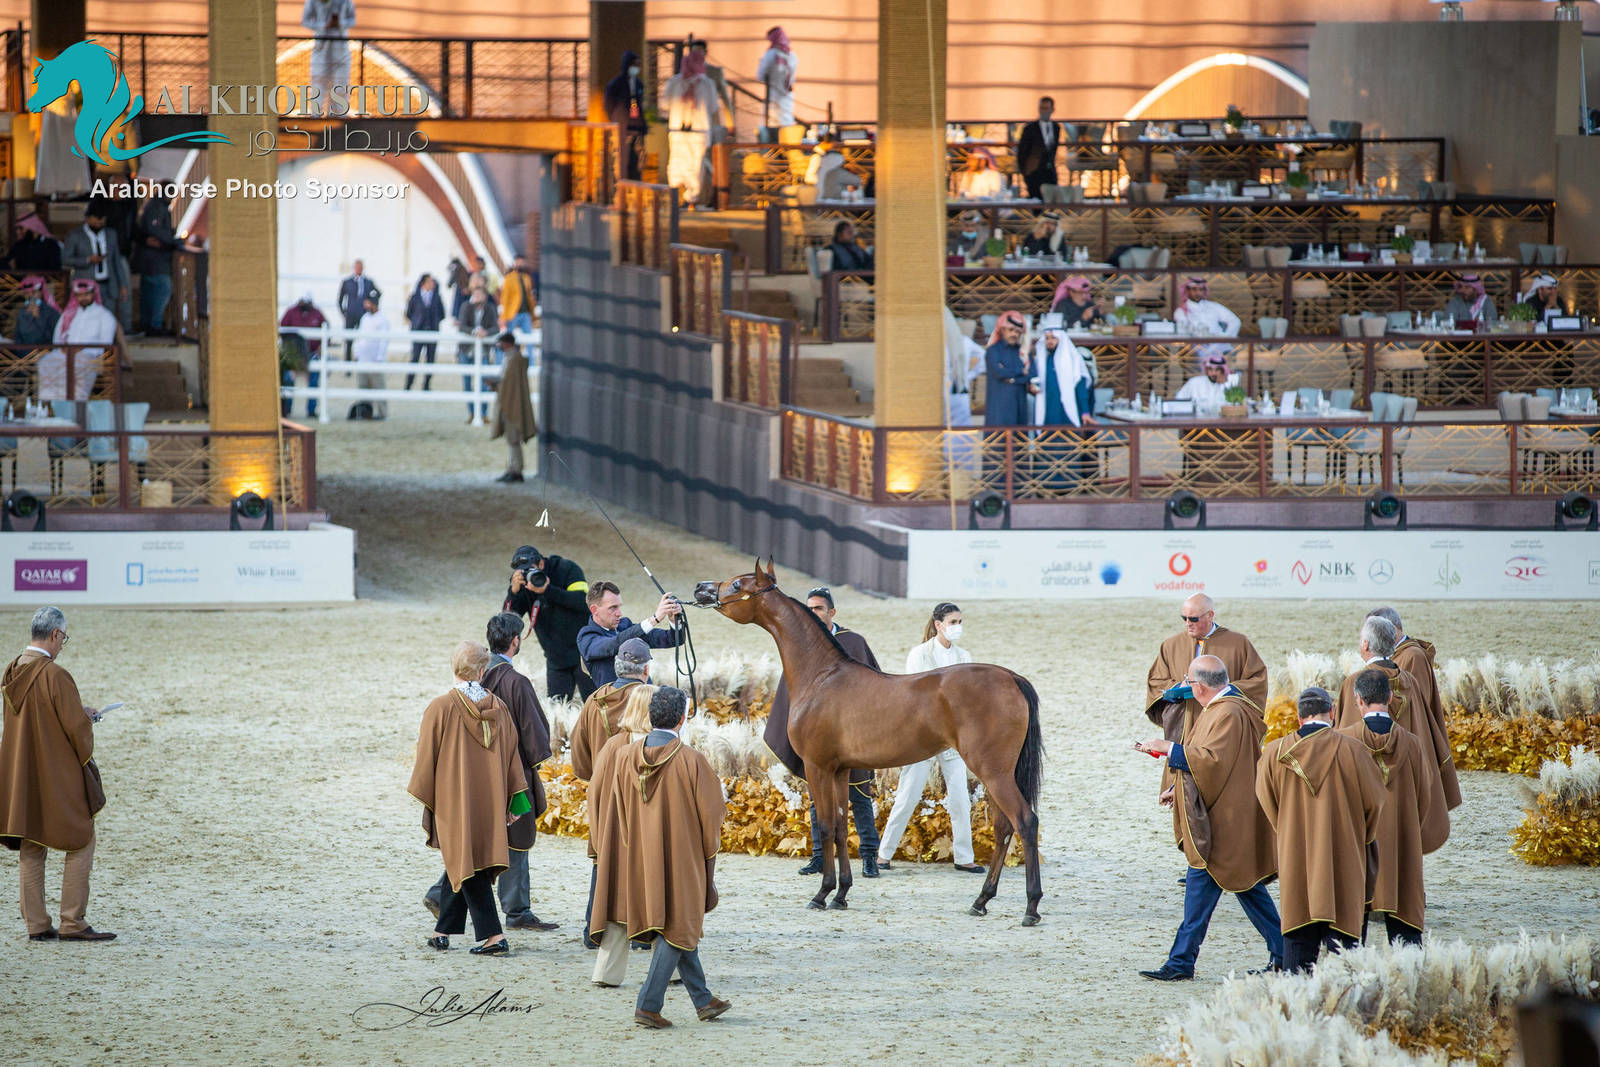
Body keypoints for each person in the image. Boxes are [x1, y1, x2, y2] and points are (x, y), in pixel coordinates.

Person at [588, 686, 730, 1028]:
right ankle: (648, 1005)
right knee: (679, 925)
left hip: (636, 856)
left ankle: (703, 1000)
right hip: (682, 860)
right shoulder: (692, 761)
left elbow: (615, 807)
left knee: (677, 924)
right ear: (682, 719)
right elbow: (713, 817)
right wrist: (706, 850)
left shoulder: (624, 757)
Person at [1135, 656, 1282, 981]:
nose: (1184, 687)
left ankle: (1181, 963)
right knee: (1245, 889)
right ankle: (1283, 954)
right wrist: (1178, 788)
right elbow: (1217, 761)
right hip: (1227, 812)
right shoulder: (1226, 707)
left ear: (1199, 686)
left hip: (1224, 821)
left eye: (1187, 681)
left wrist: (1169, 748)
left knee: (1223, 888)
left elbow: (1213, 760)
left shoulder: (1226, 712)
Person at [424, 615, 558, 933]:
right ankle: (517, 911)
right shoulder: (516, 683)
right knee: (516, 842)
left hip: (468, 779)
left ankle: (440, 898)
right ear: (516, 641)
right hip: (514, 777)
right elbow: (535, 738)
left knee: (474, 840)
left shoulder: (469, 679)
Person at [408, 641, 532, 956]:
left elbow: (425, 759)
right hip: (490, 802)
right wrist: (514, 800)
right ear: (482, 670)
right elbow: (512, 756)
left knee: (467, 860)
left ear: (455, 668)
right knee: (464, 858)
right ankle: (442, 931)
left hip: (454, 801)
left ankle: (494, 937)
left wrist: (429, 794)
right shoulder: (499, 708)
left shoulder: (440, 707)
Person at [0, 607, 115, 942]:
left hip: (24, 774)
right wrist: (87, 720)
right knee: (81, 838)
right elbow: (76, 732)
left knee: (32, 844)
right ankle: (72, 922)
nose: (63, 644)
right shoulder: (56, 675)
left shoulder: (11, 671)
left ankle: (36, 924)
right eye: (63, 638)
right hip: (54, 773)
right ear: (54, 635)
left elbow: (37, 714)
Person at [1255, 685, 1385, 974]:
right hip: (1344, 862)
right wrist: (1358, 837)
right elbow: (1375, 804)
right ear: (1333, 713)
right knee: (1345, 962)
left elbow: (1266, 803)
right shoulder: (1354, 750)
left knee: (1297, 959)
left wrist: (1288, 831)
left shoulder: (1275, 754)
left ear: (1299, 718)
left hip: (1297, 862)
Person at [763, 588, 884, 877]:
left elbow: (877, 684)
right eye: (809, 608)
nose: (813, 613)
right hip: (819, 736)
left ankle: (869, 856)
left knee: (860, 796)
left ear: (832, 612)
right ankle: (820, 856)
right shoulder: (802, 645)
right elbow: (794, 688)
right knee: (819, 796)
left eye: (818, 608)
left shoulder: (853, 642)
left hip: (853, 733)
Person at [877, 602, 987, 874]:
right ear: (938, 625)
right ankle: (883, 854)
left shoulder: (964, 656)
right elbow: (917, 694)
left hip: (952, 737)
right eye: (953, 622)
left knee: (960, 797)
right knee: (907, 795)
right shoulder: (919, 655)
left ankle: (964, 857)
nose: (957, 627)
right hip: (921, 737)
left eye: (960, 622)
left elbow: (968, 698)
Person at [1333, 615, 1450, 854]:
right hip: (1405, 786)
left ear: (1365, 645)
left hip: (1365, 793)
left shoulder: (1355, 682)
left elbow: (1342, 741)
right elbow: (1424, 730)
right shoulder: (1410, 682)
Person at [1338, 669, 1433, 949]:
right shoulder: (1413, 744)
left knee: (1351, 935)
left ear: (1358, 700)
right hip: (1401, 844)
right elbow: (1424, 799)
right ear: (1391, 697)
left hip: (1357, 844)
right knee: (1406, 936)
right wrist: (1406, 828)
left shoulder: (1343, 742)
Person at [572, 637, 652, 948]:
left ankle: (595, 930)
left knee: (603, 860)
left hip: (603, 790)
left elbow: (578, 757)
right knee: (642, 859)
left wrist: (596, 777)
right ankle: (642, 934)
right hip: (642, 790)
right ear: (644, 670)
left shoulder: (594, 700)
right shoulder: (650, 699)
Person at [585, 680, 656, 986]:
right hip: (654, 841)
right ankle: (675, 971)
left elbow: (595, 794)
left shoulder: (614, 745)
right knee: (661, 903)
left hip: (618, 840)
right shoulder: (666, 748)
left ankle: (607, 973)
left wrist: (601, 839)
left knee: (616, 907)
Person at [1367, 606, 1461, 813]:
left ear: (1392, 629)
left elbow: (1416, 702)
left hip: (1413, 734)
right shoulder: (1397, 654)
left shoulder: (1413, 656)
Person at [502, 545, 594, 701]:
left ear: (541, 564)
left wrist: (547, 590)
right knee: (556, 710)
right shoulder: (525, 584)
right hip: (556, 658)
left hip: (585, 653)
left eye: (530, 569)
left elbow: (584, 603)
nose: (527, 574)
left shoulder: (567, 569)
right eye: (523, 571)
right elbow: (507, 623)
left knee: (597, 707)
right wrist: (513, 593)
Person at [576, 581, 685, 688]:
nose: (619, 613)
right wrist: (655, 619)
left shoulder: (625, 626)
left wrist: (674, 621)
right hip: (616, 703)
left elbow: (672, 639)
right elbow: (614, 644)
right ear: (594, 610)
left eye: (619, 607)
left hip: (645, 699)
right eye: (613, 608)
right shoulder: (587, 637)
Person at [44, 279, 122, 401]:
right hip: (66, 354)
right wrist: (63, 349)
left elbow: (106, 344)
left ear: (93, 294)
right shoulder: (68, 314)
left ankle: (77, 405)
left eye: (86, 294)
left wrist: (80, 350)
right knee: (46, 362)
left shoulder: (104, 316)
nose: (83, 298)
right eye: (79, 295)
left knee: (79, 367)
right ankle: (52, 405)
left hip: (90, 356)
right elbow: (57, 337)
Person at [664, 47, 722, 208]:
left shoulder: (675, 82)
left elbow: (665, 103)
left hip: (681, 131)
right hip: (696, 132)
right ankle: (689, 198)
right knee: (694, 165)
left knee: (679, 162)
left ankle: (678, 194)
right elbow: (712, 108)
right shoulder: (707, 84)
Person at [61, 203, 130, 321]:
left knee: (109, 319)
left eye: (102, 221)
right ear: (87, 219)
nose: (99, 223)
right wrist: (87, 260)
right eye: (96, 221)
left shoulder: (111, 234)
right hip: (87, 286)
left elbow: (116, 261)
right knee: (87, 319)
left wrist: (123, 285)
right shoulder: (75, 235)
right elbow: (65, 260)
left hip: (108, 285)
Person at [491, 331, 537, 483]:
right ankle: (512, 468)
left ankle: (516, 469)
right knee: (511, 440)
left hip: (512, 403)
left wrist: (496, 385)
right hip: (509, 401)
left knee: (513, 439)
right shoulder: (511, 359)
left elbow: (509, 383)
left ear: (507, 343)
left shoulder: (514, 360)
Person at [132, 193, 180, 336]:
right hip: (154, 259)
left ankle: (147, 324)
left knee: (149, 292)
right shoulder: (156, 208)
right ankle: (154, 325)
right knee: (163, 288)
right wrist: (174, 242)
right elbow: (156, 232)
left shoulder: (152, 206)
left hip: (149, 259)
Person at [456, 276, 500, 421]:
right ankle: (472, 413)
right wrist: (475, 332)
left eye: (480, 295)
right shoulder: (465, 307)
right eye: (475, 295)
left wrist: (486, 333)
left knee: (484, 383)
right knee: (467, 382)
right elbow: (462, 326)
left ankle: (483, 413)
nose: (477, 297)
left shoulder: (490, 308)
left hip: (484, 351)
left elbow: (496, 327)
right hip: (466, 350)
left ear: (485, 296)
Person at [301, 0, 355, 116]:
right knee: (319, 80)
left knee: (341, 81)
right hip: (322, 46)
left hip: (340, 46)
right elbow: (305, 21)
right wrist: (324, 25)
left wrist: (340, 23)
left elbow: (352, 20)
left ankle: (338, 113)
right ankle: (316, 113)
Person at [279, 292, 328, 419]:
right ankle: (287, 409)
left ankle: (311, 410)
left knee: (313, 381)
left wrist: (320, 348)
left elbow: (327, 329)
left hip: (312, 353)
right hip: (294, 353)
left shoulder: (317, 313)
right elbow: (282, 329)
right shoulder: (291, 312)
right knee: (289, 380)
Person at [983, 310, 1036, 426]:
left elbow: (1031, 374)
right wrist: (1021, 372)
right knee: (998, 440)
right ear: (1002, 330)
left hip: (1019, 406)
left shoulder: (1023, 352)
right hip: (999, 407)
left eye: (1018, 332)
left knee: (1019, 441)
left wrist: (1012, 379)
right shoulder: (993, 350)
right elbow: (998, 372)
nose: (1014, 334)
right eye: (1011, 330)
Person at [603, 50, 648, 182]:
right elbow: (608, 105)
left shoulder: (638, 84)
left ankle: (635, 185)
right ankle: (622, 186)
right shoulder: (616, 84)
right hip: (623, 127)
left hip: (637, 127)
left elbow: (639, 104)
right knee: (622, 160)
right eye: (634, 64)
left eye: (638, 64)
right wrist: (616, 119)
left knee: (637, 160)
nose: (636, 67)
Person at [350, 289, 390, 420]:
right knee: (363, 386)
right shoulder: (364, 318)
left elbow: (384, 341)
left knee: (378, 387)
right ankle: (365, 411)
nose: (366, 305)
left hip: (374, 359)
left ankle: (382, 413)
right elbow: (359, 337)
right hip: (363, 359)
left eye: (368, 303)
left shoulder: (383, 320)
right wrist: (356, 354)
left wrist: (380, 357)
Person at [1015, 96, 1063, 199]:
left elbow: (1052, 148)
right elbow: (1022, 151)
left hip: (1049, 169)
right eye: (1041, 108)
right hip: (1034, 171)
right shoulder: (1030, 128)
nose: (1043, 112)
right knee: (1036, 199)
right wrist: (1025, 171)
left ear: (1052, 110)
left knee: (1051, 199)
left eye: (1046, 108)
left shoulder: (1056, 127)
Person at [943, 306, 983, 427]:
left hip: (957, 393)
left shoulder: (964, 342)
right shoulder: (934, 343)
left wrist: (969, 376)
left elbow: (984, 359)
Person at [404, 273, 445, 391]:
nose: (432, 284)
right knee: (415, 358)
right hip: (418, 331)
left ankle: (426, 384)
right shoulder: (415, 297)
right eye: (430, 282)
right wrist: (417, 322)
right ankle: (409, 383)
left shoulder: (437, 297)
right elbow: (409, 313)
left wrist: (434, 323)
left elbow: (442, 314)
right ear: (423, 283)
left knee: (430, 358)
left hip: (432, 331)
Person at [756, 26, 798, 134]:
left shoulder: (770, 54)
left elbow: (760, 76)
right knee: (786, 122)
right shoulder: (792, 55)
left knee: (771, 124)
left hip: (773, 94)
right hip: (787, 94)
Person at [1172, 276, 1241, 339]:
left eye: (1201, 289)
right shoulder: (1181, 311)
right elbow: (1183, 333)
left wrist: (1226, 337)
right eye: (1194, 289)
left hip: (1220, 346)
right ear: (1188, 291)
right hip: (1197, 349)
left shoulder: (1214, 306)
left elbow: (1235, 321)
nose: (1197, 292)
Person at [499, 254, 538, 361]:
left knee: (529, 339)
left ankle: (531, 363)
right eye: (519, 262)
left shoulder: (527, 278)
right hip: (513, 313)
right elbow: (505, 298)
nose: (521, 264)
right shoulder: (509, 278)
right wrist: (504, 316)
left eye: (522, 262)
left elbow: (529, 295)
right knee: (507, 338)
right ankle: (501, 361)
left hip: (525, 313)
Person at [337, 259, 377, 361]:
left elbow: (378, 293)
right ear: (354, 268)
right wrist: (344, 312)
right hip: (350, 315)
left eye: (360, 267)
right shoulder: (347, 282)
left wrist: (371, 303)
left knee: (363, 340)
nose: (359, 269)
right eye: (357, 267)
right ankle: (347, 363)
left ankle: (360, 360)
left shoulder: (368, 282)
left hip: (363, 315)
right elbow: (340, 300)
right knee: (348, 340)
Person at [14, 276, 61, 345]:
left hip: (45, 352)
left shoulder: (51, 312)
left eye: (33, 292)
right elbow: (18, 336)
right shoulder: (22, 312)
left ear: (40, 292)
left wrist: (38, 317)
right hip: (23, 353)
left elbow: (53, 337)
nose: (30, 296)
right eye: (26, 293)